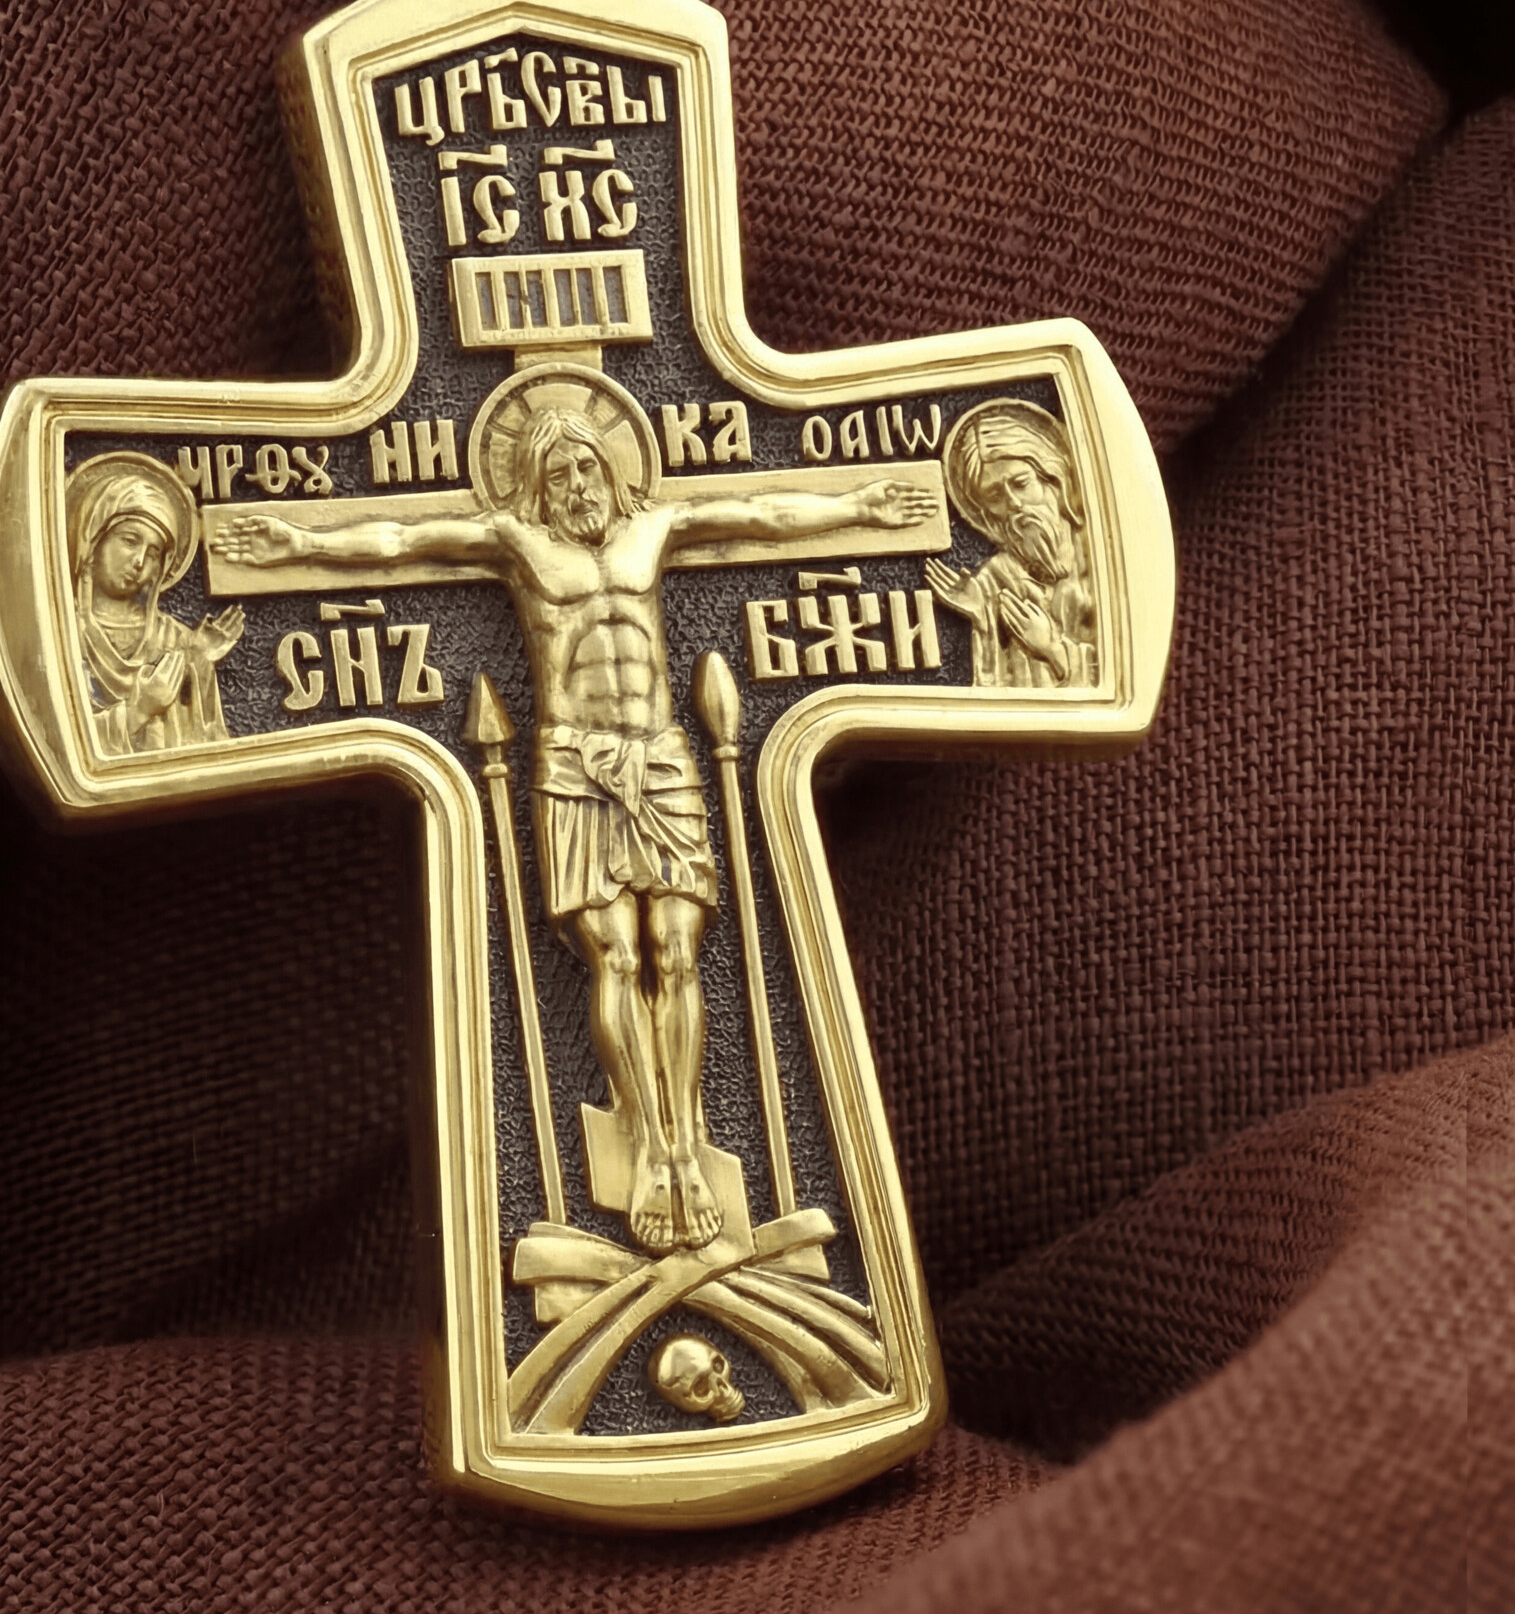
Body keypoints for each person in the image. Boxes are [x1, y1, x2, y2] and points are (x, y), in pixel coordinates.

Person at [211, 384, 932, 1254]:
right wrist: (298, 543)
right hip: (575, 767)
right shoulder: (518, 544)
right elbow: (400, 538)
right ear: (536, 486)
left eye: (588, 465)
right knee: (616, 956)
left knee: (677, 950)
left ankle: (687, 1143)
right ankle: (652, 1147)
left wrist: (861, 506)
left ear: (610, 470)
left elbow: (763, 514)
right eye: (559, 474)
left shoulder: (652, 528)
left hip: (659, 761)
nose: (579, 485)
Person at [67, 456, 245, 754]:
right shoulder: (62, 630)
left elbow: (209, 745)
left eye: (152, 554)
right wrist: (138, 711)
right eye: (129, 540)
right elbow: (58, 738)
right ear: (95, 540)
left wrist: (198, 663)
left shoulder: (175, 637)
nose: (139, 562)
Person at [925, 401, 1097, 688]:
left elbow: (1125, 662)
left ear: (1050, 476)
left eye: (1020, 483)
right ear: (985, 512)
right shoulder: (994, 577)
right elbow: (992, 686)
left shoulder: (1097, 554)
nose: (1014, 503)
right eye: (995, 496)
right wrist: (981, 614)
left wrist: (1052, 649)